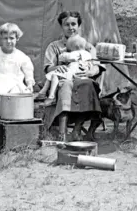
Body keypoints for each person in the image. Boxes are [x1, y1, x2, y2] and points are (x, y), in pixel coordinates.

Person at [43, 11, 105, 141]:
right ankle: (62, 133)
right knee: (66, 86)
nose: (71, 27)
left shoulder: (87, 47)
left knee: (88, 84)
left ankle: (77, 129)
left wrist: (91, 71)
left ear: (79, 26)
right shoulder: (54, 46)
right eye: (67, 24)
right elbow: (48, 67)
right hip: (63, 79)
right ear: (61, 26)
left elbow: (97, 66)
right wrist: (57, 67)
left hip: (83, 79)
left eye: (74, 24)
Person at [0, 23, 35, 100]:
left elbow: (28, 72)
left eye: (11, 38)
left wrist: (29, 84)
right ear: (1, 39)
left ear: (17, 38)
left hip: (15, 84)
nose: (8, 41)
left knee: (17, 97)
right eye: (5, 38)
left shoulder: (21, 56)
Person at [36, 35, 95, 106]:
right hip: (79, 73)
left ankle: (51, 96)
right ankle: (43, 92)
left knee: (54, 75)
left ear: (75, 47)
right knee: (53, 74)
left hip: (73, 73)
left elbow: (66, 57)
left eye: (69, 49)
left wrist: (63, 54)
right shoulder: (88, 54)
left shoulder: (76, 53)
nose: (68, 50)